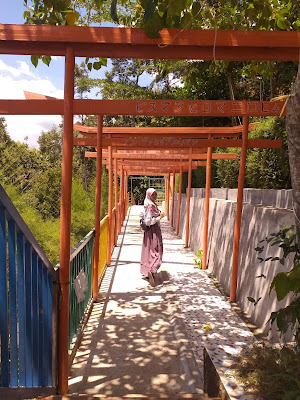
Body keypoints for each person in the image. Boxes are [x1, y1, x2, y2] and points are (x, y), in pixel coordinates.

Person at [140, 188, 165, 287]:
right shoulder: (151, 206)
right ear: (149, 195)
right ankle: (152, 270)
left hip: (149, 233)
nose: (155, 196)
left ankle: (147, 272)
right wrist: (160, 217)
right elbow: (148, 221)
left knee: (149, 251)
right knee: (157, 251)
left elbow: (141, 214)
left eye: (155, 194)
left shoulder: (148, 204)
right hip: (153, 231)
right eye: (153, 195)